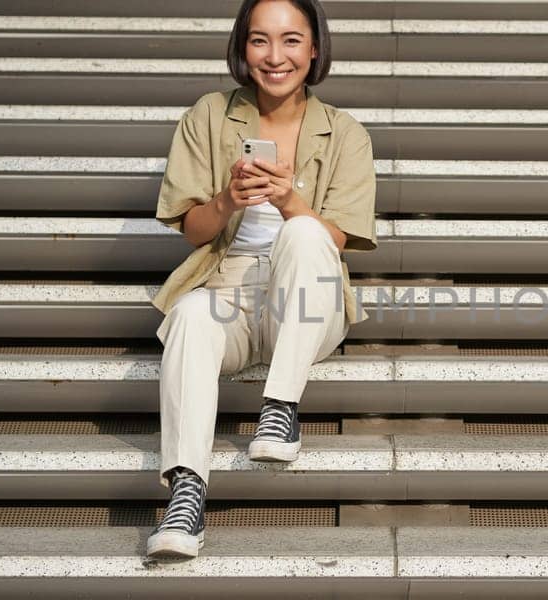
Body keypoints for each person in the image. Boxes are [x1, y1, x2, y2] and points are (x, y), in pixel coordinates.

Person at [144, 0, 378, 560]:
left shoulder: (345, 134)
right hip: (230, 293)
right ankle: (185, 495)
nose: (275, 57)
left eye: (292, 40)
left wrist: (288, 199)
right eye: (260, 41)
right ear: (242, 47)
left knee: (302, 234)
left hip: (306, 305)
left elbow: (336, 242)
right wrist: (228, 199)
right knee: (191, 315)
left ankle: (279, 410)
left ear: (315, 47)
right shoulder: (208, 114)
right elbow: (193, 231)